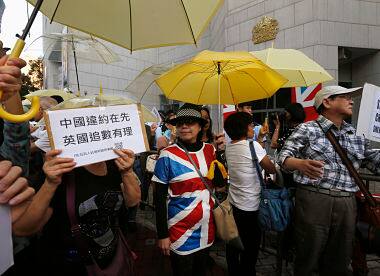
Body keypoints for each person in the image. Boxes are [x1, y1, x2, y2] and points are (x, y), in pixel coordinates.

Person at [278, 86, 380, 276]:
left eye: (351, 97)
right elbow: (283, 157)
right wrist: (298, 163)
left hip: (348, 203)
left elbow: (375, 161)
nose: (351, 101)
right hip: (314, 199)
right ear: (327, 102)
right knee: (308, 253)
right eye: (345, 97)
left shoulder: (355, 134)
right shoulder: (307, 128)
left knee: (340, 257)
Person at [13, 147, 141, 275]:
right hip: (69, 263)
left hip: (112, 257)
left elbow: (133, 201)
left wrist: (127, 172)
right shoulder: (60, 167)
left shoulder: (113, 163)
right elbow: (24, 228)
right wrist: (50, 183)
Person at [153, 103, 220, 276]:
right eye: (180, 122)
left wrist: (220, 156)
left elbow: (219, 184)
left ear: (200, 126)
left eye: (190, 122)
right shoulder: (167, 155)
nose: (184, 126)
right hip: (179, 231)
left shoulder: (211, 150)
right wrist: (162, 235)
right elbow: (158, 198)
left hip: (207, 229)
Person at [224, 112, 276, 275]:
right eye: (252, 125)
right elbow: (271, 168)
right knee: (250, 248)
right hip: (251, 207)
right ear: (245, 127)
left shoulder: (229, 146)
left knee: (233, 243)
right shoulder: (253, 146)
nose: (254, 127)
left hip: (233, 203)